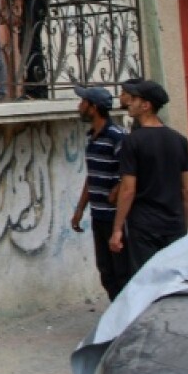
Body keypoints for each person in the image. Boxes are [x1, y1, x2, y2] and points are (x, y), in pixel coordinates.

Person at [110, 80, 188, 275]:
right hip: (174, 224)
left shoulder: (133, 142)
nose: (130, 102)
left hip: (144, 226)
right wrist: (184, 225)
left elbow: (128, 189)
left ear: (146, 105)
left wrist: (117, 229)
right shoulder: (179, 140)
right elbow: (187, 190)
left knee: (146, 280)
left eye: (135, 99)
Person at [70, 86, 129, 300]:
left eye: (83, 102)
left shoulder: (117, 136)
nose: (79, 107)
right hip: (98, 214)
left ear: (93, 108)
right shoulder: (93, 138)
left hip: (116, 217)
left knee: (122, 271)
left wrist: (116, 189)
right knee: (106, 271)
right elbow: (92, 176)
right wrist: (80, 209)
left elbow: (130, 173)